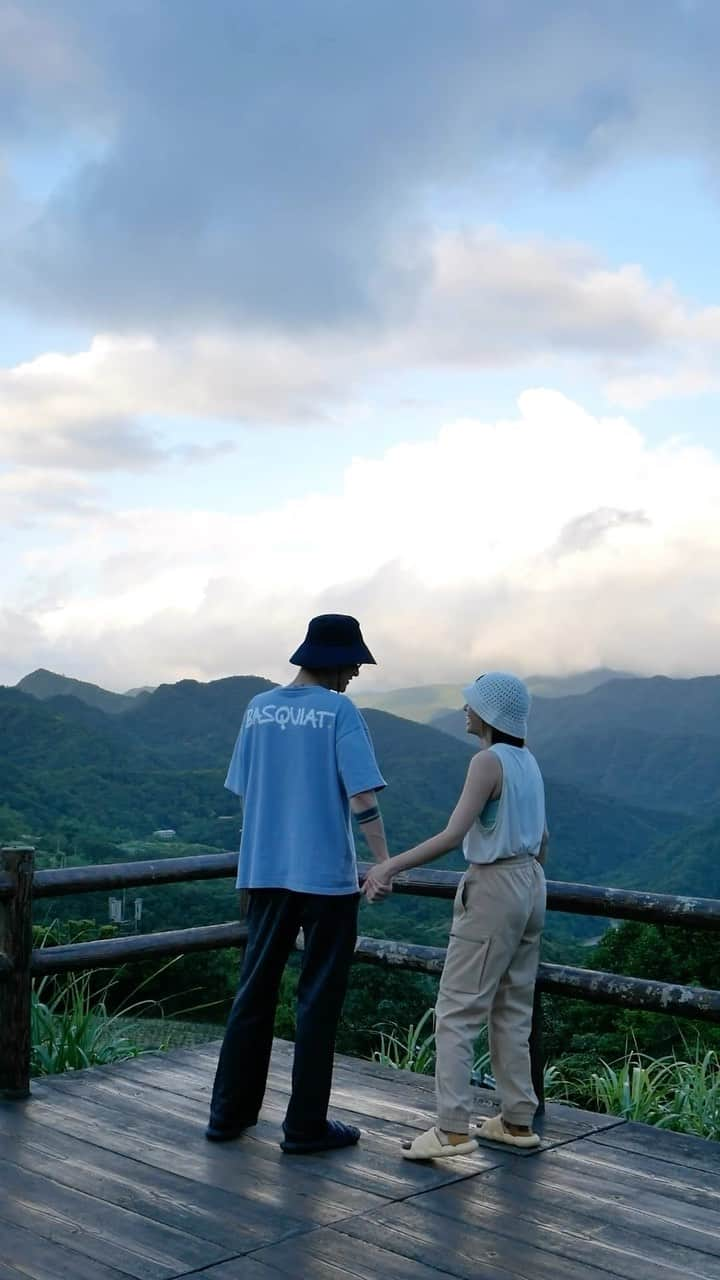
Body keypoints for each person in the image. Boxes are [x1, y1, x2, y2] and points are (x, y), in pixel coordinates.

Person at [207, 614, 390, 1154]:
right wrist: (383, 861)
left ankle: (226, 1116)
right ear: (334, 661)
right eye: (353, 661)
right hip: (327, 880)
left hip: (264, 873)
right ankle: (304, 1127)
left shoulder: (258, 709)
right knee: (317, 1000)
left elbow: (248, 789)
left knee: (254, 992)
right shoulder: (340, 711)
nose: (356, 671)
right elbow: (362, 798)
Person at [364, 671, 548, 1159]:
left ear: (488, 714)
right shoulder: (527, 761)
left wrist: (389, 866)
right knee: (512, 1007)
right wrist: (526, 886)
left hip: (493, 884)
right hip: (532, 883)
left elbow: (452, 835)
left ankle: (451, 1128)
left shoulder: (487, 761)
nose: (465, 710)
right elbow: (543, 838)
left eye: (471, 704)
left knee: (457, 1009)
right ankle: (516, 1118)